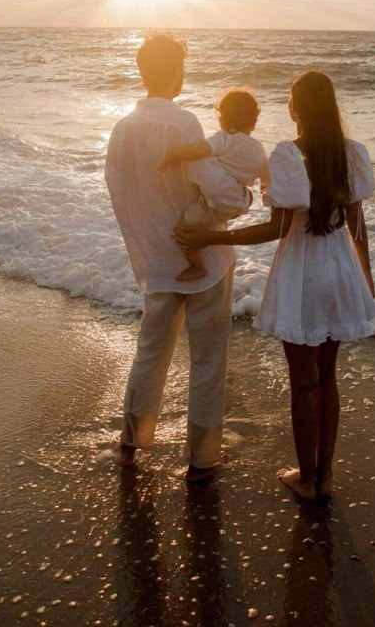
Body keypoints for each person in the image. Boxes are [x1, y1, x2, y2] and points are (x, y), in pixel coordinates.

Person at [177, 70, 375, 500]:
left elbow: (278, 227)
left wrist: (211, 236)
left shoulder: (289, 155)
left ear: (294, 108)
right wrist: (367, 275)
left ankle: (307, 479)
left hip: (303, 271)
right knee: (328, 378)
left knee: (303, 382)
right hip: (341, 267)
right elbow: (358, 222)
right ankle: (326, 477)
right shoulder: (352, 154)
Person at [105, 34, 250, 482]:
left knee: (150, 352)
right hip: (205, 257)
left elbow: (119, 191)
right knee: (207, 360)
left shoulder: (121, 128)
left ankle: (131, 441)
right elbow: (213, 185)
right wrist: (243, 197)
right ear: (175, 73)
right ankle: (202, 459)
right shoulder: (183, 123)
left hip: (157, 259)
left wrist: (147, 242)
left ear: (143, 71)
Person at [159, 87, 269, 282]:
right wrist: (263, 187)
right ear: (254, 121)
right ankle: (212, 234)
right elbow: (266, 178)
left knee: (183, 230)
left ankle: (197, 266)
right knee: (214, 216)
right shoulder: (259, 149)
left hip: (216, 202)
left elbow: (201, 150)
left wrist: (178, 153)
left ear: (223, 118)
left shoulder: (224, 139)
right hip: (240, 202)